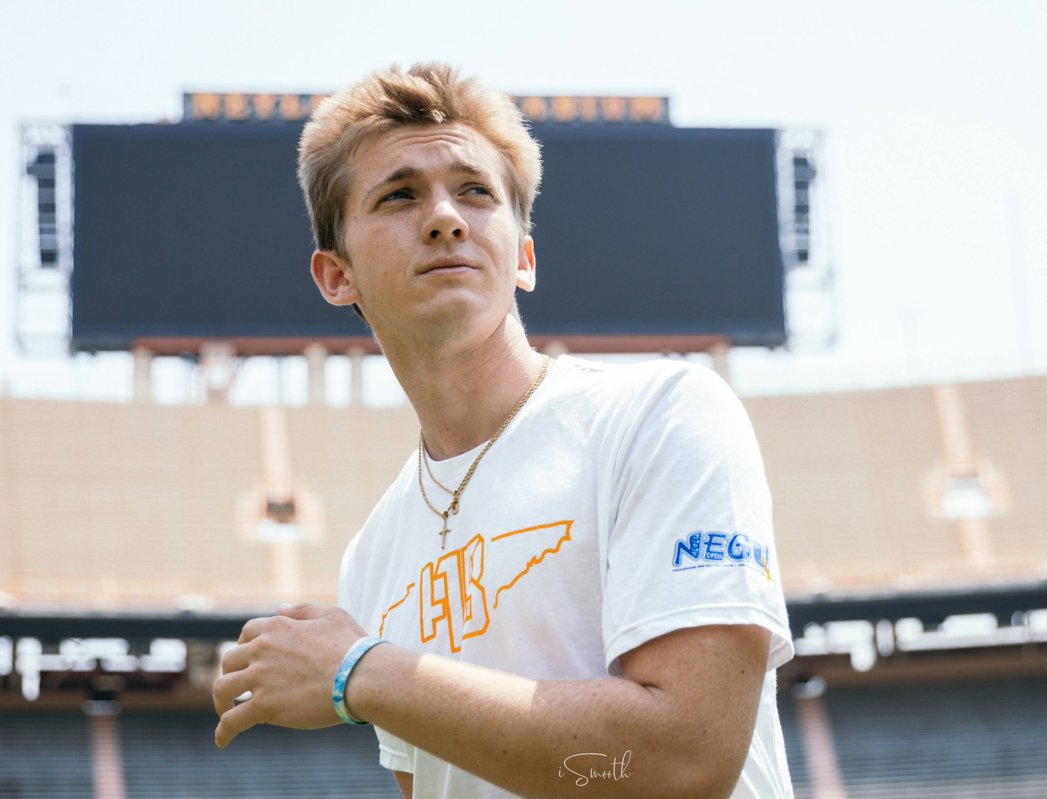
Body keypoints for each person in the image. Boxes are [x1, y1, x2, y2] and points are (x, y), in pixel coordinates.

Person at [212, 62, 795, 799]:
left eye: (476, 192)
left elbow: (683, 761)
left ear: (523, 255)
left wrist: (361, 669)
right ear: (337, 275)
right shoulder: (373, 555)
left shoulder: (660, 414)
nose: (445, 217)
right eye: (399, 195)